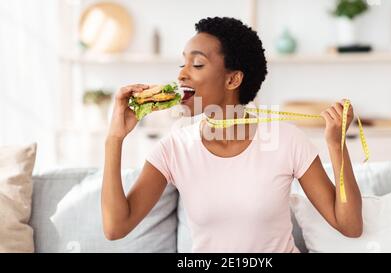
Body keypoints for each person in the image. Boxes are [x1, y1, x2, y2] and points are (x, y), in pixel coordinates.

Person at [101, 17, 362, 253]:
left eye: (198, 64)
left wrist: (335, 144)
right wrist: (115, 138)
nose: (181, 74)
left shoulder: (286, 140)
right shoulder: (175, 147)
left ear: (232, 80)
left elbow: (349, 225)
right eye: (183, 63)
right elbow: (116, 227)